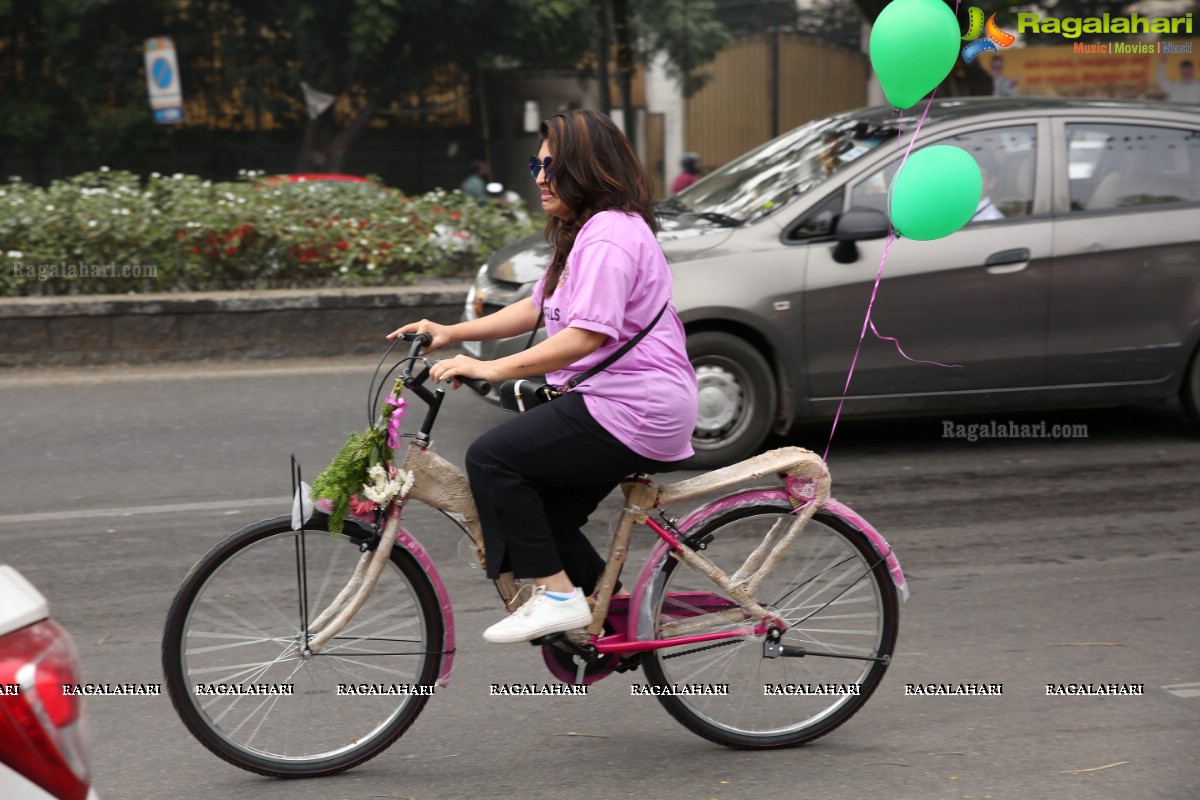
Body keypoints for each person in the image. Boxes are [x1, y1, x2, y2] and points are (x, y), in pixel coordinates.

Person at [389, 109, 698, 644]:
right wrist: (451, 331)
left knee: (493, 459)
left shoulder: (608, 238)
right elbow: (537, 306)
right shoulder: (590, 233)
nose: (538, 177)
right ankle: (616, 617)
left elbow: (585, 337)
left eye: (552, 166)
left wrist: (487, 367)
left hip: (635, 406)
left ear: (587, 168)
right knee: (542, 517)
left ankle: (557, 597)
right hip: (618, 401)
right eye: (537, 164)